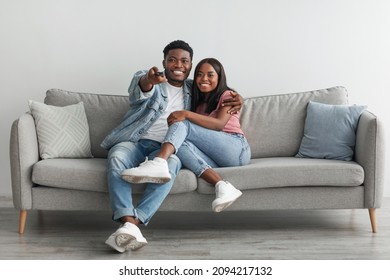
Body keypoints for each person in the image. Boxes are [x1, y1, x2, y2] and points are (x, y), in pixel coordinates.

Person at [100, 40, 243, 253]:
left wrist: (237, 97)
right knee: (117, 157)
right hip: (136, 142)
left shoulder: (194, 88)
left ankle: (132, 225)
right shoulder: (152, 78)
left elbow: (216, 90)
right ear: (164, 62)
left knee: (171, 165)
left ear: (190, 64)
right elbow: (140, 87)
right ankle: (129, 222)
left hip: (171, 147)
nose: (178, 65)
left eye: (184, 61)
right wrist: (148, 80)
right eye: (172, 60)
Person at [122, 57, 251, 213]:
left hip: (236, 149)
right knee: (179, 145)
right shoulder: (196, 99)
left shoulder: (228, 96)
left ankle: (159, 162)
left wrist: (186, 114)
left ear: (219, 78)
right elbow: (174, 79)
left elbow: (219, 124)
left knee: (183, 123)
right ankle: (222, 185)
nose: (204, 79)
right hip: (215, 156)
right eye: (200, 74)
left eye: (210, 75)